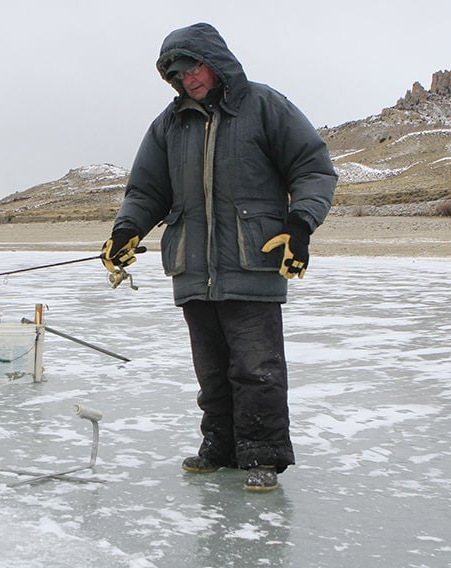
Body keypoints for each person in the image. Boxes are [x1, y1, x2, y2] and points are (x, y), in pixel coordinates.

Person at [100, 22, 337, 491]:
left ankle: (262, 454)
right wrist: (126, 230)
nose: (188, 81)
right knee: (211, 370)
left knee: (256, 368)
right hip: (193, 266)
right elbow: (146, 190)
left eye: (193, 69)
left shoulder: (264, 106)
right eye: (177, 76)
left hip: (253, 261)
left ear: (215, 61)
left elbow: (313, 168)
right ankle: (220, 445)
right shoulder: (168, 125)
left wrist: (300, 226)